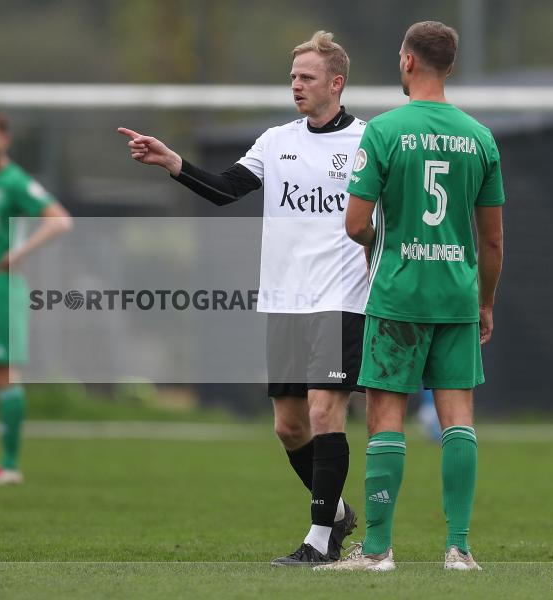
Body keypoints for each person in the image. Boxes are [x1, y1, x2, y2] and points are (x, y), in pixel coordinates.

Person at [118, 31, 368, 567]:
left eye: (307, 77)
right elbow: (228, 188)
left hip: (342, 298)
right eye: (293, 76)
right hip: (285, 300)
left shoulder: (371, 143)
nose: (297, 85)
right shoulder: (277, 140)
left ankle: (321, 541)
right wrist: (173, 163)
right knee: (289, 426)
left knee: (326, 413)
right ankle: (339, 512)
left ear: (336, 83)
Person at [319, 21, 504, 572]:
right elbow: (492, 238)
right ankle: (460, 549)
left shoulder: (382, 131)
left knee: (385, 418)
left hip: (398, 293)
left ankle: (377, 551)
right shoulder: (480, 137)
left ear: (407, 62)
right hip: (456, 297)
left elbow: (354, 225)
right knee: (458, 419)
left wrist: (388, 249)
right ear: (448, 66)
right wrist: (485, 302)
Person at [0, 109, 72, 487]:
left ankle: (8, 465)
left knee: (1, 373)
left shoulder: (15, 180)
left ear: (4, 140)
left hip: (2, 288)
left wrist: (19, 253)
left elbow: (59, 219)